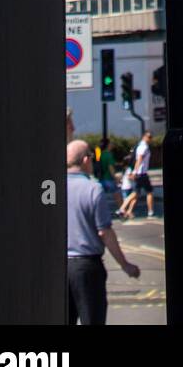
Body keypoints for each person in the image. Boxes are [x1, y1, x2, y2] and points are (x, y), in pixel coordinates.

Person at [66, 139, 139, 325]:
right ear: (85, 160)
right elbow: (104, 232)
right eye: (91, 156)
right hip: (87, 266)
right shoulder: (92, 189)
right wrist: (125, 265)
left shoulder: (53, 186)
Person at [120, 130, 154, 219]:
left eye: (151, 137)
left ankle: (127, 210)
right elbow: (139, 159)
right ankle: (150, 212)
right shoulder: (143, 147)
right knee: (146, 192)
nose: (150, 139)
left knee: (136, 193)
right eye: (148, 137)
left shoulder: (141, 146)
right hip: (141, 173)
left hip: (140, 173)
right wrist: (135, 172)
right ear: (144, 137)